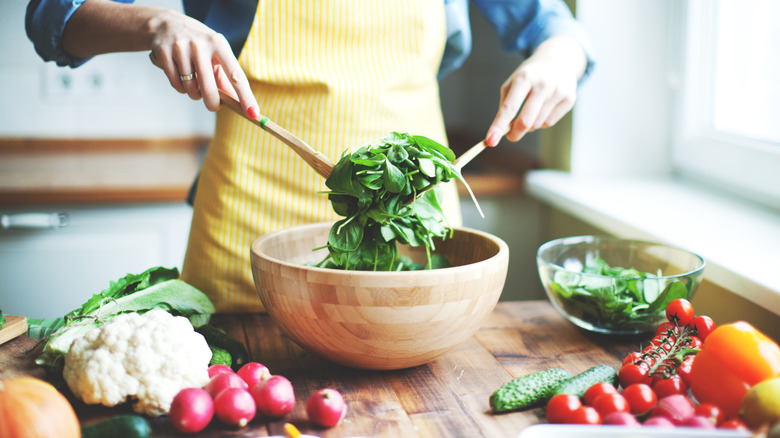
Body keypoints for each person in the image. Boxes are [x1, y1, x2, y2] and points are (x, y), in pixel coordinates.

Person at [26, 0, 594, 313]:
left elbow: (550, 23)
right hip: (246, 221)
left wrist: (560, 56)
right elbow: (53, 17)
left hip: (413, 220)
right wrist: (158, 23)